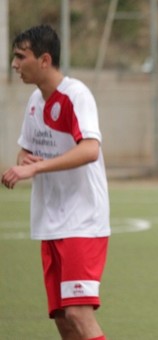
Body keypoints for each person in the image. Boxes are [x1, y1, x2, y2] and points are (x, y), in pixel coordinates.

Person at [1, 25, 110, 340]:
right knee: (63, 317)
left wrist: (36, 169)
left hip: (82, 220)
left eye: (21, 56)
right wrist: (26, 161)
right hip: (51, 222)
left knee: (78, 312)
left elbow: (90, 149)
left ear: (45, 59)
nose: (14, 64)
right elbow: (26, 149)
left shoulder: (76, 95)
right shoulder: (36, 101)